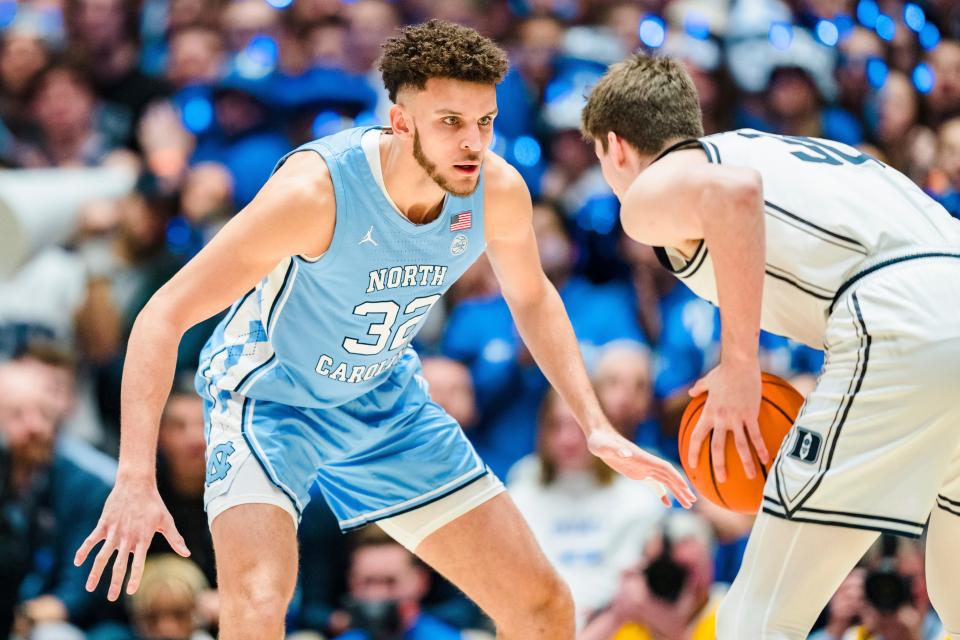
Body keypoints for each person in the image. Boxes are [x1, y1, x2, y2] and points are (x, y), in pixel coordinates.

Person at [75, 21, 694, 640]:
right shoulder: (314, 194)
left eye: (486, 121)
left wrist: (594, 424)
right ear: (401, 122)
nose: (474, 143)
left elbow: (533, 298)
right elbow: (161, 316)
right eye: (451, 121)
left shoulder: (498, 190)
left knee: (543, 607)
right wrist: (134, 475)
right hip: (270, 398)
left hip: (381, 396)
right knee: (260, 602)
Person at [580, 54, 960, 639]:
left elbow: (734, 194)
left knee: (756, 617)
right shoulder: (778, 150)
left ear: (615, 147)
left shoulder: (656, 187)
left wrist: (738, 366)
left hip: (902, 324)